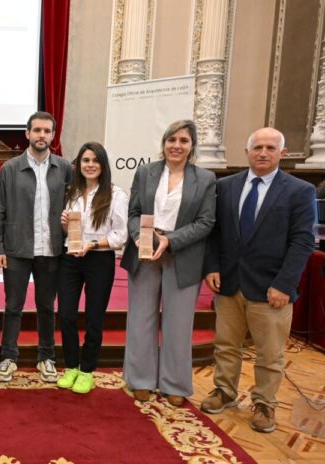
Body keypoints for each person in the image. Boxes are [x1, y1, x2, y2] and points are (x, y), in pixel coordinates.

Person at [201, 128, 315, 433]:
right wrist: (212, 267)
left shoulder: (299, 191)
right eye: (257, 147)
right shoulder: (225, 186)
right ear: (247, 152)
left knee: (270, 353)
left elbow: (302, 242)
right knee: (226, 344)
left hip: (271, 288)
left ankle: (264, 403)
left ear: (282, 153)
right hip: (229, 283)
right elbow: (214, 233)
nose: (263, 153)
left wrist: (285, 284)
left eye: (270, 148)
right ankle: (224, 390)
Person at [121, 119, 216, 407]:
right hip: (145, 254)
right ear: (163, 144)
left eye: (183, 141)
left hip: (183, 256)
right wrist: (141, 237)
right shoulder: (145, 172)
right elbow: (134, 213)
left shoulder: (205, 178)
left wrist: (170, 240)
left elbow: (206, 222)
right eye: (171, 140)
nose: (176, 145)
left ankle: (174, 383)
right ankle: (141, 379)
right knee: (141, 319)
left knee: (178, 322)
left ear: (192, 146)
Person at [0, 111, 73, 383]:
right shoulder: (10, 168)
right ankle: (8, 357)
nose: (41, 135)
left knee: (47, 306)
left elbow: (75, 207)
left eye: (47, 131)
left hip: (51, 250)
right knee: (13, 305)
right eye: (37, 130)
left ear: (53, 135)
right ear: (27, 133)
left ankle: (46, 357)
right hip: (17, 249)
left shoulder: (65, 168)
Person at [56, 142, 128, 394]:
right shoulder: (72, 192)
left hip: (99, 259)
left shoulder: (116, 195)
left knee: (94, 317)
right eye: (86, 160)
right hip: (70, 258)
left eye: (95, 160)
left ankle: (87, 370)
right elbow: (69, 232)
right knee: (66, 314)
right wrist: (65, 224)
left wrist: (93, 244)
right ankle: (71, 366)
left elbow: (120, 235)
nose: (90, 165)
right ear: (79, 164)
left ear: (103, 165)